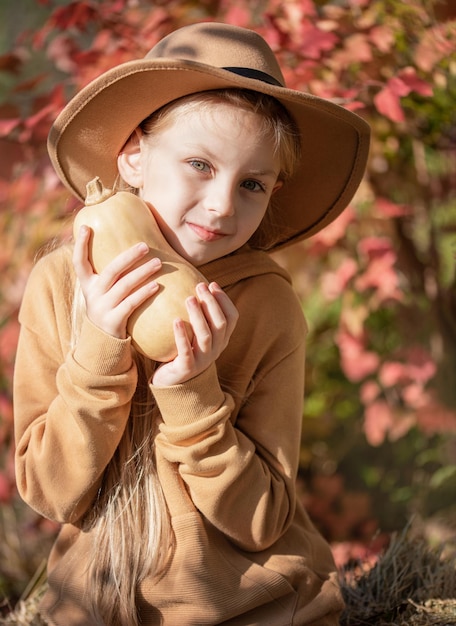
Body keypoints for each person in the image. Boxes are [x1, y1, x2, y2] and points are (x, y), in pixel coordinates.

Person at [13, 21, 370, 626]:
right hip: (100, 604)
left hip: (254, 605)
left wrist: (195, 396)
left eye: (252, 183)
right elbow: (49, 492)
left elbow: (263, 519)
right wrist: (99, 352)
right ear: (132, 158)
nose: (224, 204)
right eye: (200, 164)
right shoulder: (61, 284)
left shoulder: (269, 309)